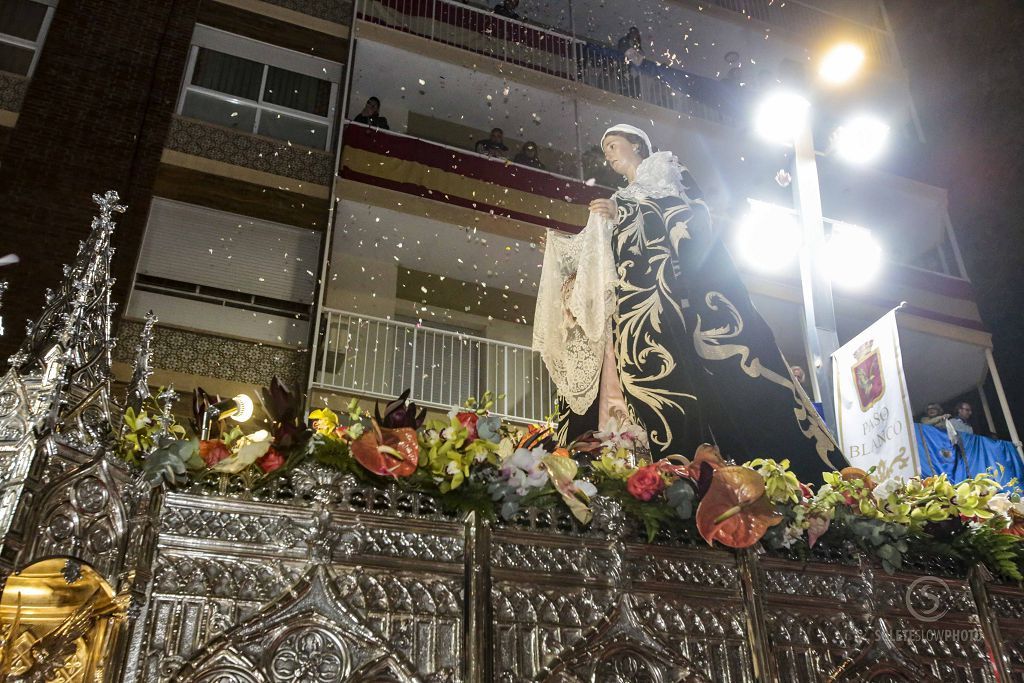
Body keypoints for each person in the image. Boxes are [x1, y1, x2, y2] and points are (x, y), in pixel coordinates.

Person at [534, 124, 848, 483]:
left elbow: (691, 216)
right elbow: (603, 257)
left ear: (636, 144)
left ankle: (691, 464)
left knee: (683, 377)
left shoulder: (666, 171)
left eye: (612, 143)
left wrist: (625, 215)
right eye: (604, 148)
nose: (608, 152)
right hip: (633, 309)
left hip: (670, 298)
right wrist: (567, 255)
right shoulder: (621, 198)